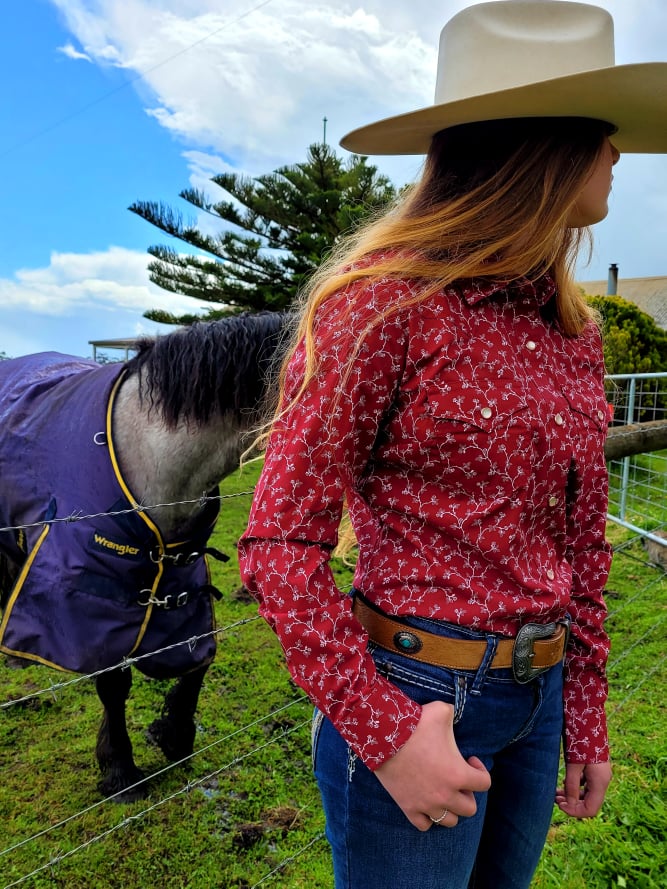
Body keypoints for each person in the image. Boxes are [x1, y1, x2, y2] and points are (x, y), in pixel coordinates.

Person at [238, 3, 667, 887]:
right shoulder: (380, 306)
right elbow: (278, 540)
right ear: (540, 145)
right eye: (602, 134)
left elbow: (581, 543)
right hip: (417, 693)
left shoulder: (570, 331)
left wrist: (580, 713)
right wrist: (385, 732)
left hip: (537, 700)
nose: (618, 156)